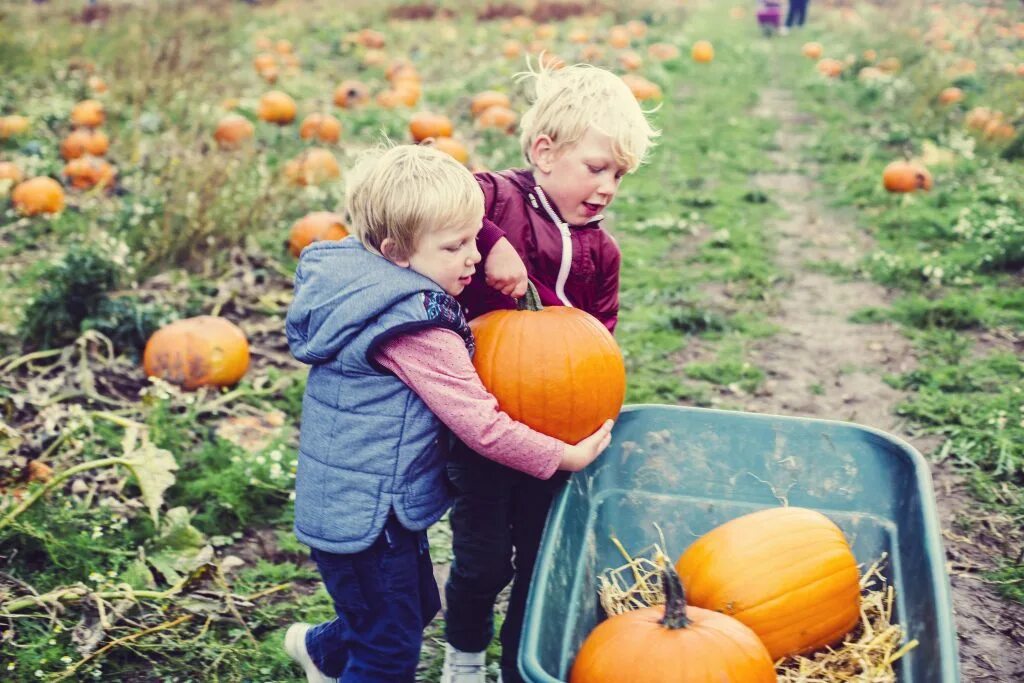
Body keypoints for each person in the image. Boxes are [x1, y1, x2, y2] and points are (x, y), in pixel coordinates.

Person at [282, 144, 615, 683]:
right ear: (395, 251)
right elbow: (482, 425)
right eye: (456, 246)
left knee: (410, 608)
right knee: (388, 652)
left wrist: (486, 239)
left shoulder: (359, 279)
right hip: (368, 518)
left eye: (474, 239)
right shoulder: (417, 329)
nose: (473, 257)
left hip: (361, 500)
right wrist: (563, 456)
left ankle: (321, 652)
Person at [442, 61, 659, 683]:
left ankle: (520, 664)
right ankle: (463, 656)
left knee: (541, 561)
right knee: (483, 559)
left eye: (619, 175)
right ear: (544, 152)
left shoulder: (602, 251)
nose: (608, 187)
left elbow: (600, 338)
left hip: (559, 438)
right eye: (597, 168)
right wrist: (489, 241)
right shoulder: (496, 197)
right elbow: (437, 196)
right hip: (484, 423)